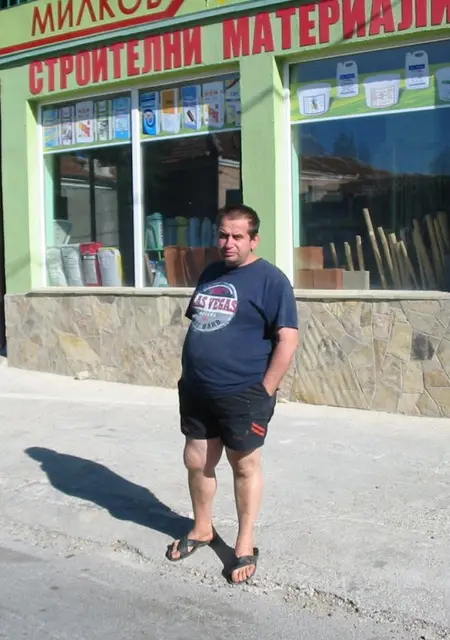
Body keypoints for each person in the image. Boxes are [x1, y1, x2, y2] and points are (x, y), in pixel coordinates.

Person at [165, 204, 298, 585]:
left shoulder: (272, 280)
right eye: (223, 235)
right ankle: (202, 528)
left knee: (244, 466)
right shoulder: (211, 274)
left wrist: (265, 391)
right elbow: (203, 323)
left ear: (254, 240)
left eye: (237, 236)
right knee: (196, 462)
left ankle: (244, 542)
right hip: (198, 390)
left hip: (243, 394)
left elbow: (288, 340)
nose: (228, 243)